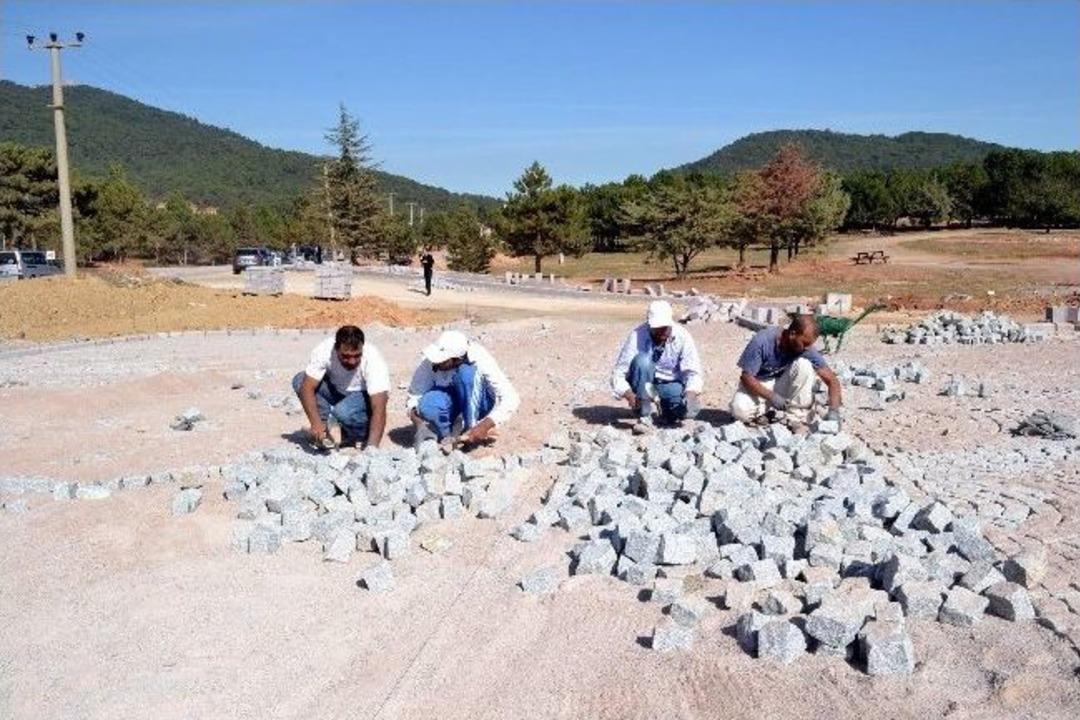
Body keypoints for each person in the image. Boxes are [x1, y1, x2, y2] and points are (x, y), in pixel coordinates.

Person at [407, 330, 519, 446]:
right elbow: (414, 396)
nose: (436, 365)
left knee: (466, 374)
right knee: (429, 403)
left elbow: (511, 397)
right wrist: (419, 425)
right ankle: (449, 438)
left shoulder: (479, 357)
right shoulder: (431, 362)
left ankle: (471, 429)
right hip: (450, 401)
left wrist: (485, 425)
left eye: (442, 362)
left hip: (480, 401)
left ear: (457, 359)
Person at [729, 315, 842, 427]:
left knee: (804, 365)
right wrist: (772, 397)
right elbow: (746, 377)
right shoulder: (762, 340)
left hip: (782, 384)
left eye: (810, 344)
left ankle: (795, 419)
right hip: (758, 384)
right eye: (805, 343)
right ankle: (767, 412)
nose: (807, 348)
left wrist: (834, 411)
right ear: (792, 334)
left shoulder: (804, 349)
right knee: (739, 411)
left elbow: (832, 380)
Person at [292, 325, 389, 449]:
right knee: (300, 380)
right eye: (346, 356)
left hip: (363, 398)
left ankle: (358, 436)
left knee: (343, 412)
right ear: (336, 349)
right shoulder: (324, 350)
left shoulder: (373, 359)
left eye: (357, 356)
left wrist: (372, 448)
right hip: (337, 391)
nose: (352, 361)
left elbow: (379, 407)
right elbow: (307, 388)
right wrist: (316, 423)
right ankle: (323, 434)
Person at [611, 300, 703, 432]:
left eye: (665, 327)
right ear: (649, 325)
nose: (662, 332)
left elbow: (693, 373)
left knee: (686, 412)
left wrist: (690, 395)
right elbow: (619, 373)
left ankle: (666, 411)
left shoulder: (683, 336)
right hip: (643, 383)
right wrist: (629, 394)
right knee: (643, 361)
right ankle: (644, 415)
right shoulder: (637, 335)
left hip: (669, 384)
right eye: (657, 329)